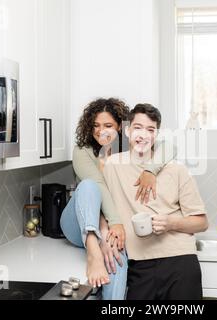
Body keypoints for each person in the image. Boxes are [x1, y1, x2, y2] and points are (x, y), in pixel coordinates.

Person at [59, 98, 174, 300]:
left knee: (117, 254)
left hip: (111, 224)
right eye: (95, 125)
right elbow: (100, 188)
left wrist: (150, 170)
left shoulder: (128, 149)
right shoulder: (83, 151)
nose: (100, 131)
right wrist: (112, 225)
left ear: (120, 126)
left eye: (108, 125)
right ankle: (93, 251)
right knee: (88, 186)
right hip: (78, 223)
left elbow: (169, 147)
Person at [103, 104, 209, 300]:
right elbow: (104, 207)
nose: (143, 135)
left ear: (156, 135)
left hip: (180, 261)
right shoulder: (113, 166)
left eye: (150, 130)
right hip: (139, 264)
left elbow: (202, 222)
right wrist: (105, 238)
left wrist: (171, 223)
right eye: (138, 127)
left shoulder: (176, 170)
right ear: (127, 130)